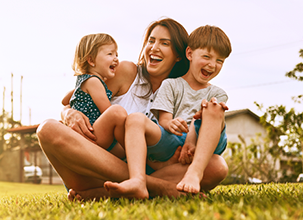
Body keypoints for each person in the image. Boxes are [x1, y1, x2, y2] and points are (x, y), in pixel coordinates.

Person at [36, 18, 229, 201]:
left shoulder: (183, 91)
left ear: (179, 55)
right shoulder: (127, 72)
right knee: (47, 129)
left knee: (216, 166)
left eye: (164, 43)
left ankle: (113, 190)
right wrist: (69, 113)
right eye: (151, 40)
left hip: (153, 169)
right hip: (93, 168)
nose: (154, 47)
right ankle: (156, 186)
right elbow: (80, 94)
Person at [103, 25, 231, 198]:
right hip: (175, 138)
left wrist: (192, 141)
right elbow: (164, 119)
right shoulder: (171, 84)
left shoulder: (217, 93)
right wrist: (170, 124)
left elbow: (204, 122)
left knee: (213, 109)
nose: (212, 64)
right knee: (135, 119)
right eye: (207, 57)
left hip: (204, 142)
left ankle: (194, 172)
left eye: (219, 61)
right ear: (189, 54)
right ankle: (138, 181)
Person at [62, 33, 126, 159]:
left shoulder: (83, 81)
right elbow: (107, 110)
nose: (116, 59)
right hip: (91, 133)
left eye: (116, 54)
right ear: (91, 60)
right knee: (116, 112)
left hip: (88, 134)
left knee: (124, 154)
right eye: (110, 54)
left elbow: (64, 100)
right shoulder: (94, 82)